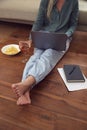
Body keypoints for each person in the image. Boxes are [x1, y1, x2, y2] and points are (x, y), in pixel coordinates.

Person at [11, 0, 79, 105]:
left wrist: (66, 35)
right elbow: (38, 21)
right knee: (35, 57)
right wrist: (30, 39)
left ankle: (26, 85)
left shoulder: (73, 1)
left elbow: (73, 24)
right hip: (44, 34)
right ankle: (25, 90)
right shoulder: (46, 1)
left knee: (48, 57)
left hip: (62, 37)